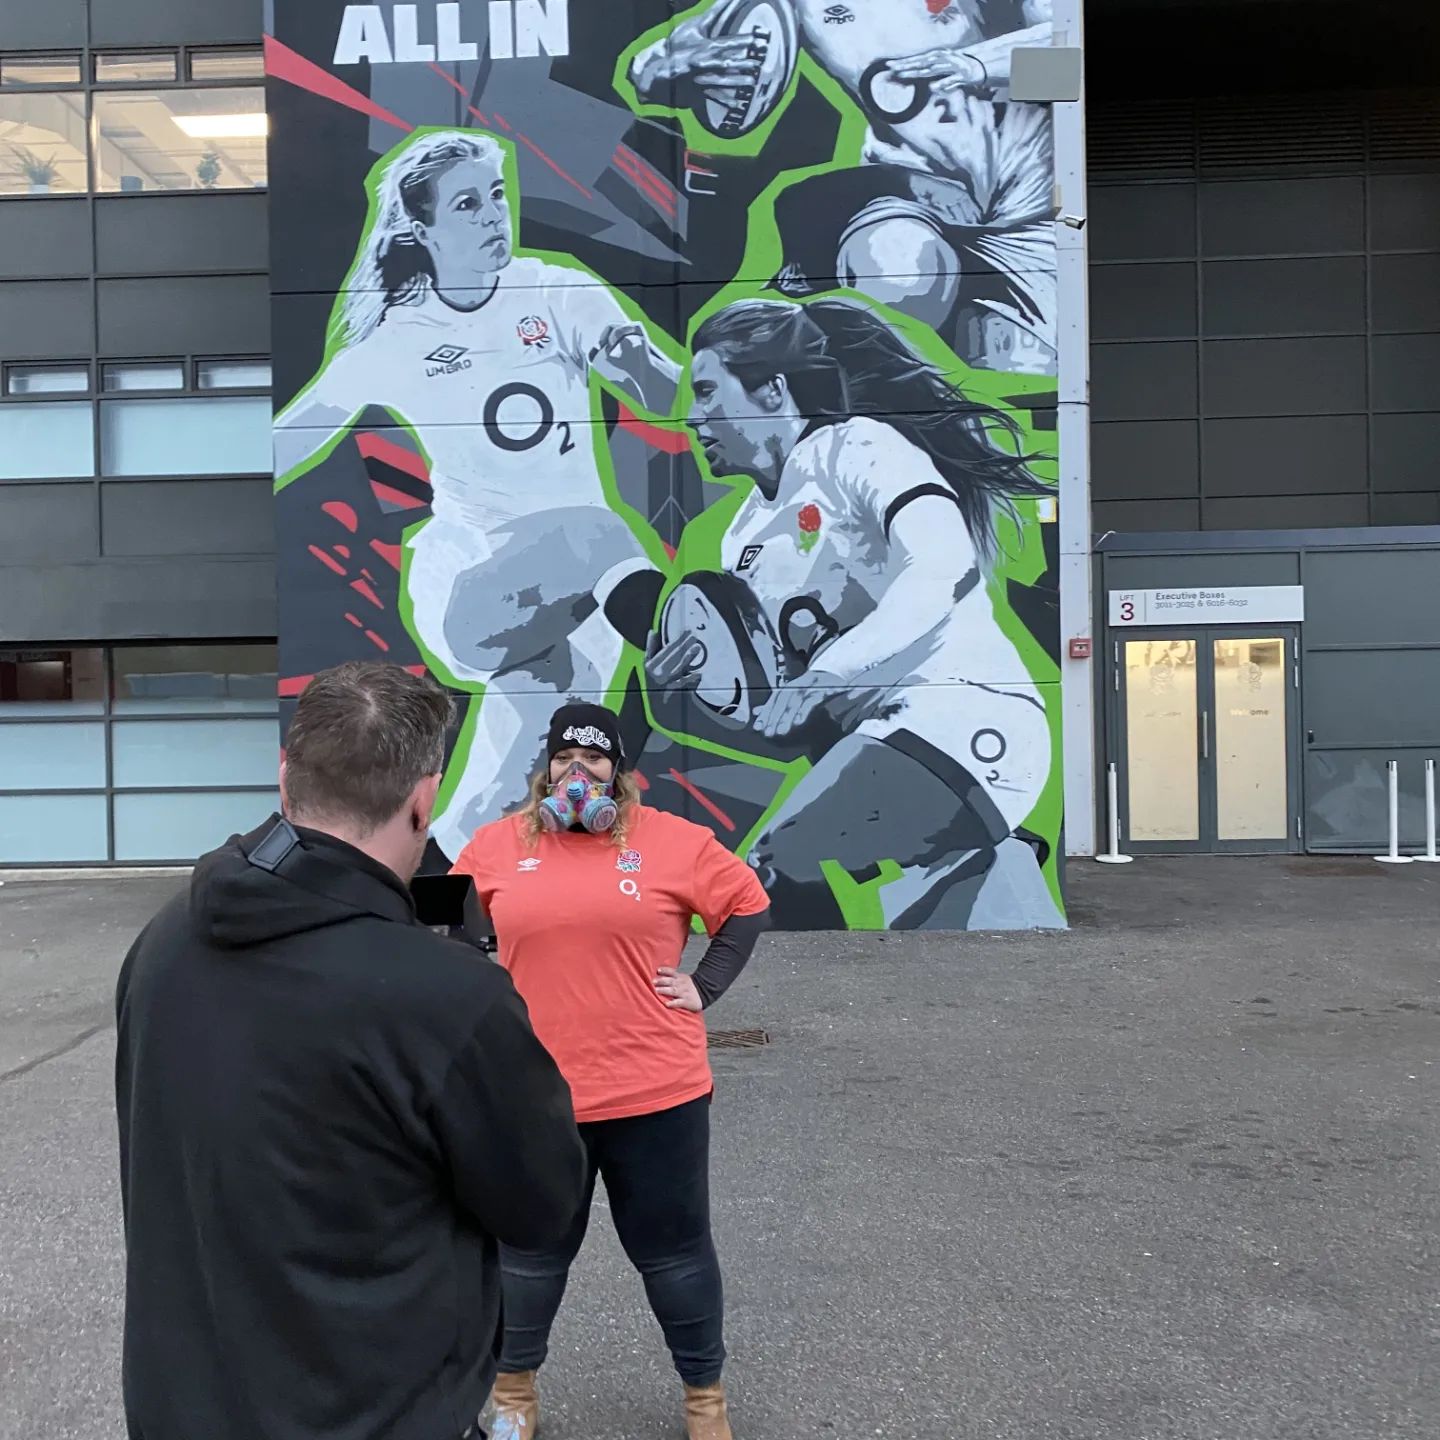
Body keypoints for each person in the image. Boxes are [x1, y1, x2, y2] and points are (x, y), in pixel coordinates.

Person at [115, 662, 587, 1440]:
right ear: (423, 800)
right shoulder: (447, 998)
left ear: (286, 777)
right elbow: (543, 1205)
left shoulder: (164, 942)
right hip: (375, 1413)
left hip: (180, 1407)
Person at [272, 129, 681, 852]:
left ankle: (444, 886)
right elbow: (292, 438)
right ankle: (690, 643)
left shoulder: (555, 290)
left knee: (506, 800)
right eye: (467, 204)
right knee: (596, 530)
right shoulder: (398, 335)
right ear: (421, 228)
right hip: (473, 584)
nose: (494, 214)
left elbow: (665, 393)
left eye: (496, 195)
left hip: (576, 604)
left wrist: (650, 366)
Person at [646, 296, 1061, 930]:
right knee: (959, 943)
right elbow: (790, 720)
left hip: (965, 712)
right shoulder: (741, 538)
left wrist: (828, 672)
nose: (693, 416)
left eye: (706, 392)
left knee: (772, 868)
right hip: (891, 744)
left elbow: (945, 565)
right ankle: (996, 865)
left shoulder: (859, 447)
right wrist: (686, 698)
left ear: (772, 390)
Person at [450, 702, 771, 1440]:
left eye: (594, 760)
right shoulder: (498, 845)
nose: (578, 772)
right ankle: (514, 1396)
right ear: (545, 769)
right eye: (565, 758)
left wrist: (704, 985)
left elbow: (747, 905)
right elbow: (451, 926)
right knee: (529, 1258)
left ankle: (705, 1401)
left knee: (675, 1256)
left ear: (619, 773)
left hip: (656, 1093)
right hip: (536, 1095)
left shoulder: (675, 842)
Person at [627, 0, 1057, 374]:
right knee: (897, 271)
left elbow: (1071, 71)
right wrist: (671, 68)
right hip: (913, 195)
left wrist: (977, 66)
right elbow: (650, 69)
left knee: (1037, 360)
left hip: (1038, 210)